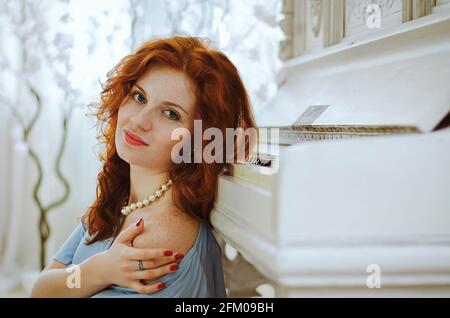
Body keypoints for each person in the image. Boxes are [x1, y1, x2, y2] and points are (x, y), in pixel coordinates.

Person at [31, 36, 257, 297]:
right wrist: (99, 270)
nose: (139, 121)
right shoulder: (121, 204)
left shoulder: (156, 237)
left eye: (171, 114)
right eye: (139, 97)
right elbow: (41, 289)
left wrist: (83, 276)